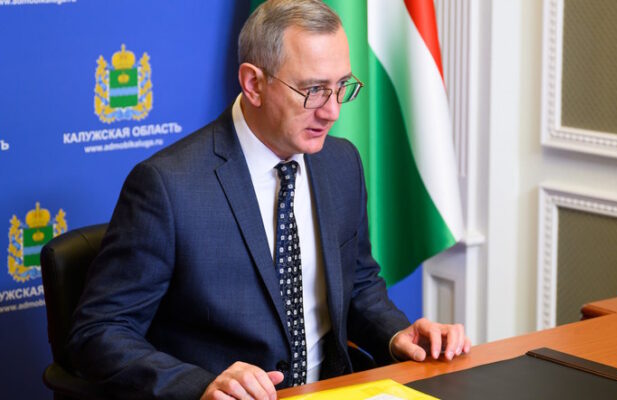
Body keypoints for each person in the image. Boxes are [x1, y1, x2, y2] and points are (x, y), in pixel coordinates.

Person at [67, 1, 471, 399]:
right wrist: (199, 385)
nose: (332, 111)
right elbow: (98, 332)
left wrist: (397, 334)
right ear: (254, 84)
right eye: (314, 90)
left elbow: (359, 286)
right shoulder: (167, 186)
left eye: (341, 87)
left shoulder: (342, 162)